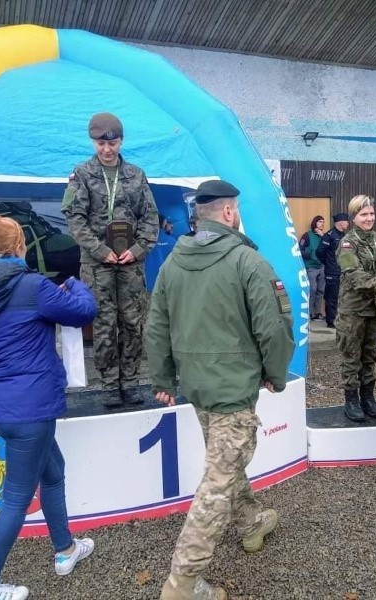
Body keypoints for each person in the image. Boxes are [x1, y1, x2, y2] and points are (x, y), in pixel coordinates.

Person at [146, 180, 294, 600]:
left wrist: (162, 378)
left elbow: (156, 326)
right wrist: (276, 373)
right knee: (217, 481)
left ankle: (250, 523)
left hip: (198, 387)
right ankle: (182, 583)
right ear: (229, 213)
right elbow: (273, 327)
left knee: (225, 461)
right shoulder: (248, 261)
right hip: (233, 389)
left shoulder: (173, 263)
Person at [0, 215, 97, 600]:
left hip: (1, 405)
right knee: (17, 499)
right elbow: (83, 313)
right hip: (31, 408)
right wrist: (78, 287)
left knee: (54, 471)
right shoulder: (33, 286)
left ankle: (65, 550)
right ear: (19, 246)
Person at [62, 112, 159, 407]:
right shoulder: (82, 174)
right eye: (101, 144)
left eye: (113, 143)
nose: (107, 150)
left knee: (132, 323)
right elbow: (75, 220)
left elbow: (150, 217)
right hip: (97, 265)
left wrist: (139, 248)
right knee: (104, 324)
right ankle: (107, 384)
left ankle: (129, 381)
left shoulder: (136, 175)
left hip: (130, 263)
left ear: (121, 142)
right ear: (93, 142)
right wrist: (101, 250)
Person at [335, 196, 376, 422]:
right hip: (353, 311)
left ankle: (368, 398)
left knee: (370, 356)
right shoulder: (347, 243)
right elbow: (354, 275)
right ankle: (352, 400)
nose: (369, 218)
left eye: (371, 214)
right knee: (351, 356)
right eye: (364, 214)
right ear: (354, 217)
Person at [316, 212, 349, 329]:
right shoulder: (329, 235)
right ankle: (331, 321)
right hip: (332, 272)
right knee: (332, 296)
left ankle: (338, 318)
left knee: (341, 296)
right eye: (346, 221)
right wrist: (328, 263)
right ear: (339, 222)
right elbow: (319, 252)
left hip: (342, 271)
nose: (347, 223)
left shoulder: (343, 235)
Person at [299, 215, 325, 320]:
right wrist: (309, 256)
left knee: (320, 290)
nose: (322, 224)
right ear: (315, 223)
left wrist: (323, 236)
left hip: (322, 266)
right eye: (319, 222)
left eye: (323, 222)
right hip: (311, 267)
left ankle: (318, 312)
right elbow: (300, 249)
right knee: (312, 289)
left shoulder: (324, 236)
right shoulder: (307, 236)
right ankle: (309, 312)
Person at [146, 214, 177, 290]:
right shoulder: (173, 242)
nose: (172, 226)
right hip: (167, 284)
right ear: (164, 224)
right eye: (168, 223)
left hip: (148, 284)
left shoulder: (144, 241)